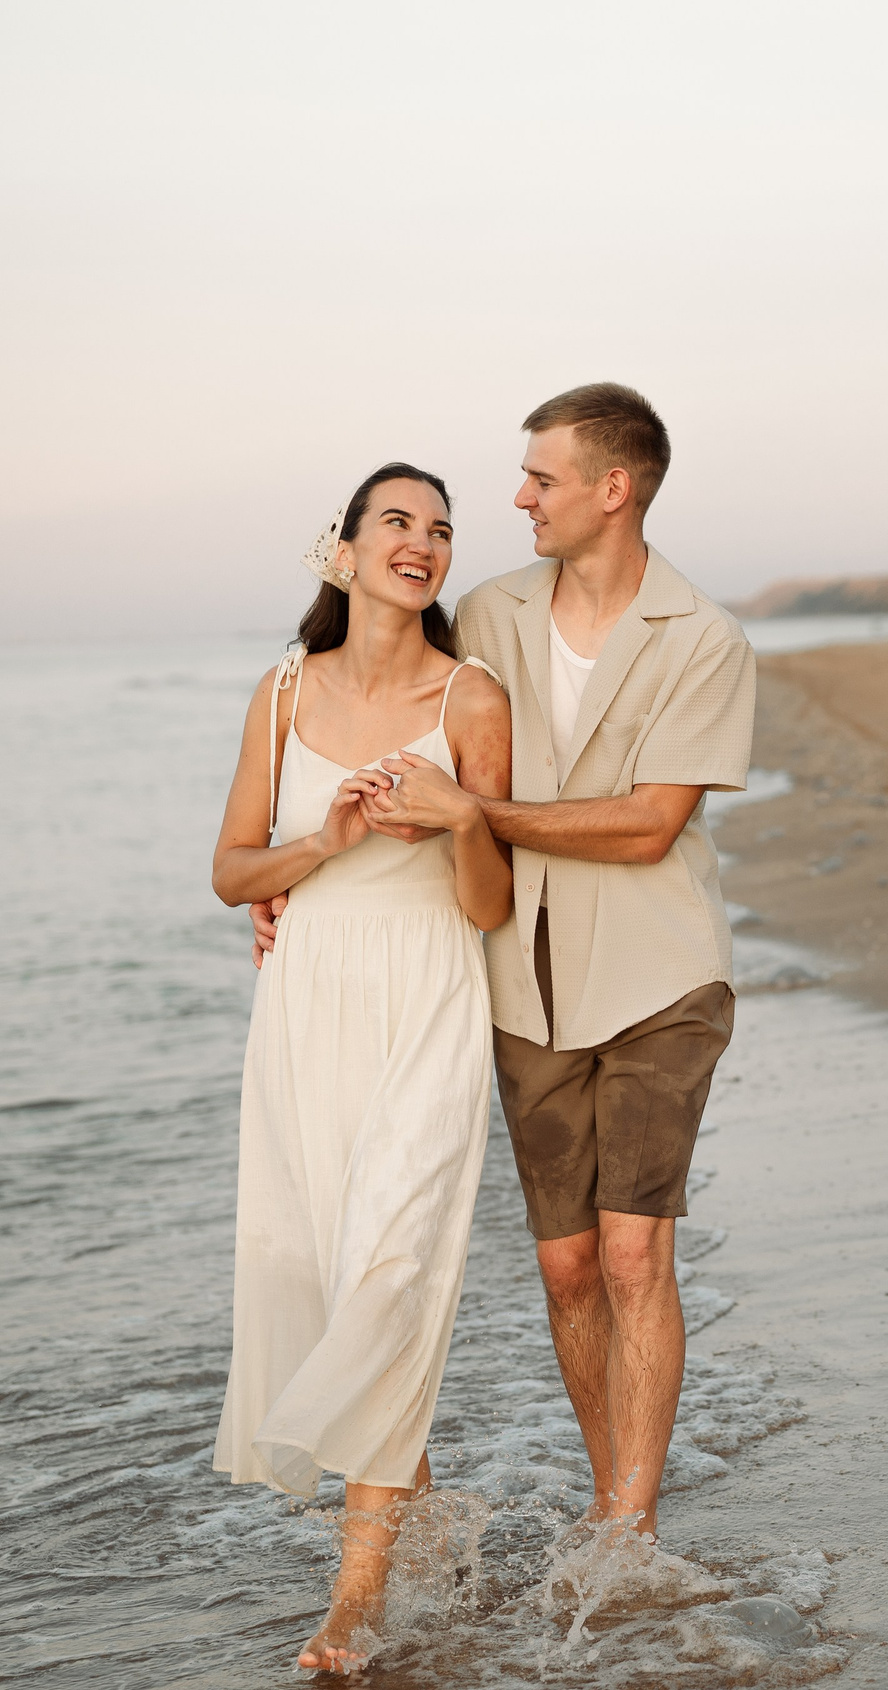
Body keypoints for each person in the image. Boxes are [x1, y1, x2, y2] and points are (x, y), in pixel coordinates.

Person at [333, 383, 758, 1550]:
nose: (517, 496)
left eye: (541, 477)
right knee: (568, 1269)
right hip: (520, 977)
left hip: (663, 973)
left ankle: (630, 1519)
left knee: (632, 1250)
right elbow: (378, 707)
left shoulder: (703, 637)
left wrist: (476, 811)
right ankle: (606, 1482)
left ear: (611, 489)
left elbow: (646, 826)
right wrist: (295, 880)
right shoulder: (486, 611)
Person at [207, 462, 512, 1675]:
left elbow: (489, 906)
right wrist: (319, 842)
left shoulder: (471, 696)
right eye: (398, 521)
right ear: (344, 550)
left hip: (430, 997)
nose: (424, 543)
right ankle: (423, 1526)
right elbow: (233, 872)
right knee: (324, 1270)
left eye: (442, 529)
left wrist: (460, 818)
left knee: (390, 1266)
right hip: (306, 1005)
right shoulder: (282, 692)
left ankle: (355, 1596)